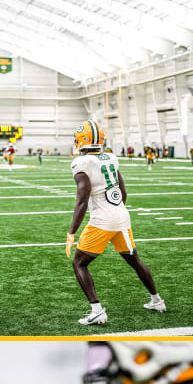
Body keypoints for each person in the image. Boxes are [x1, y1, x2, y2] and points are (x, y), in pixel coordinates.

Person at [67, 120, 164, 326]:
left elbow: (82, 201)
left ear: (81, 140)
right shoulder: (111, 157)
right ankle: (157, 300)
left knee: (79, 263)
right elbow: (123, 191)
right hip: (122, 216)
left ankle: (96, 311)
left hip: (102, 220)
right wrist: (117, 212)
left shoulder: (82, 163)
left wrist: (71, 231)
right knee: (134, 260)